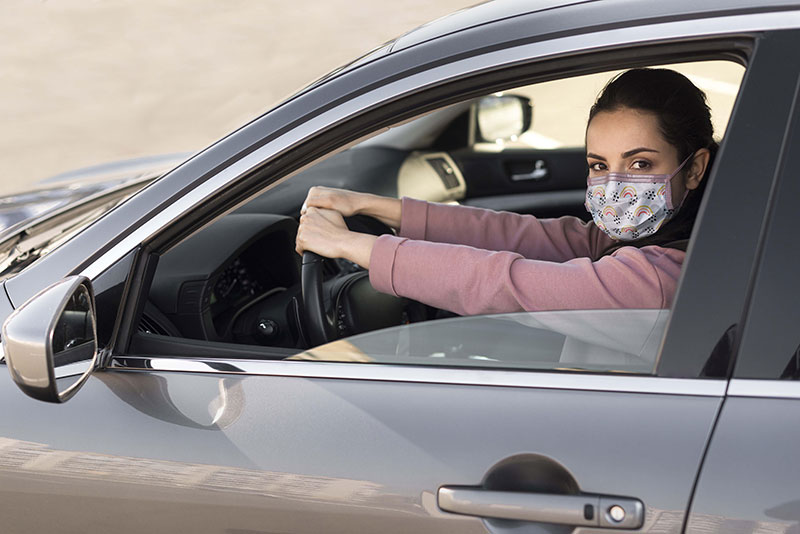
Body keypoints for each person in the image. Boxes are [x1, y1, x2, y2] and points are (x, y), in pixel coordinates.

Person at [295, 68, 716, 316]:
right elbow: (529, 236)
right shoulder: (659, 234)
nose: (615, 185)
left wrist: (351, 245)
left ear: (693, 168)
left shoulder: (658, 278)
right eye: (599, 166)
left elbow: (505, 283)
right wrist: (371, 206)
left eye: (640, 164)